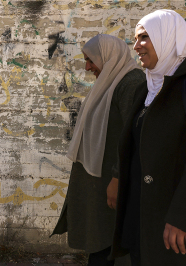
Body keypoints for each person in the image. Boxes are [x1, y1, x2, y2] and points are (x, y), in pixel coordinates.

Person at [110, 9, 186, 265]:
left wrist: (185, 216)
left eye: (144, 37)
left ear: (167, 37)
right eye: (135, 39)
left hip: (179, 224)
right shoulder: (146, 87)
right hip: (144, 217)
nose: (136, 46)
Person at [51, 34, 145, 266]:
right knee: (102, 243)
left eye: (91, 60)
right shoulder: (110, 82)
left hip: (111, 183)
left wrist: (117, 178)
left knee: (109, 244)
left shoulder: (131, 83)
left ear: (107, 57)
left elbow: (133, 136)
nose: (87, 67)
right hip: (100, 182)